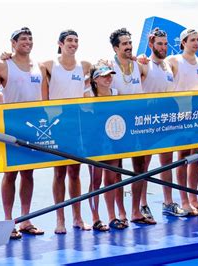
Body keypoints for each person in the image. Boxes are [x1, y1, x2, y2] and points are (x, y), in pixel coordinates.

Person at [0, 27, 46, 239]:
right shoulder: (3, 65)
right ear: (13, 43)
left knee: (28, 173)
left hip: (32, 126)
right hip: (10, 126)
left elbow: (43, 98)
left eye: (30, 38)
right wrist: (5, 108)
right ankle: (8, 221)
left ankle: (25, 220)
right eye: (23, 39)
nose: (28, 42)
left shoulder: (38, 67)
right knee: (10, 173)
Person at [41, 29, 91, 234]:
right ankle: (59, 219)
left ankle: (77, 217)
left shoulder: (85, 66)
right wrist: (6, 56)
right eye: (69, 40)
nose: (73, 44)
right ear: (60, 44)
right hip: (56, 125)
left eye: (76, 40)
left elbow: (106, 71)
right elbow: (27, 69)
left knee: (75, 172)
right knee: (59, 172)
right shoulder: (48, 65)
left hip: (76, 125)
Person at [109, 28, 156, 225]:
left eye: (130, 43)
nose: (129, 47)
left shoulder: (139, 64)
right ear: (115, 48)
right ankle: (120, 214)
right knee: (116, 169)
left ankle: (136, 211)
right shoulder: (107, 65)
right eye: (125, 44)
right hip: (116, 125)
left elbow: (162, 66)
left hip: (137, 123)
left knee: (140, 167)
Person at [141, 28, 188, 217]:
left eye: (166, 44)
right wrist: (138, 58)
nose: (163, 47)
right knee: (143, 165)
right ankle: (142, 204)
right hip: (146, 122)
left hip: (165, 121)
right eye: (159, 44)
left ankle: (168, 203)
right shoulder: (143, 64)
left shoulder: (168, 65)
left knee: (167, 161)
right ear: (151, 44)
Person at [167, 28, 198, 216]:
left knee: (196, 158)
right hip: (179, 116)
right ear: (183, 42)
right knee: (182, 157)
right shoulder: (174, 60)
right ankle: (184, 200)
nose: (196, 43)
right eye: (192, 40)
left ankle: (194, 198)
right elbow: (157, 67)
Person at [86, 61, 128, 231]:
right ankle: (95, 217)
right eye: (104, 76)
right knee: (95, 180)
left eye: (110, 75)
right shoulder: (87, 95)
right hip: (95, 144)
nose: (108, 78)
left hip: (113, 142)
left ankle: (112, 216)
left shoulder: (117, 93)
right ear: (95, 79)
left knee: (111, 179)